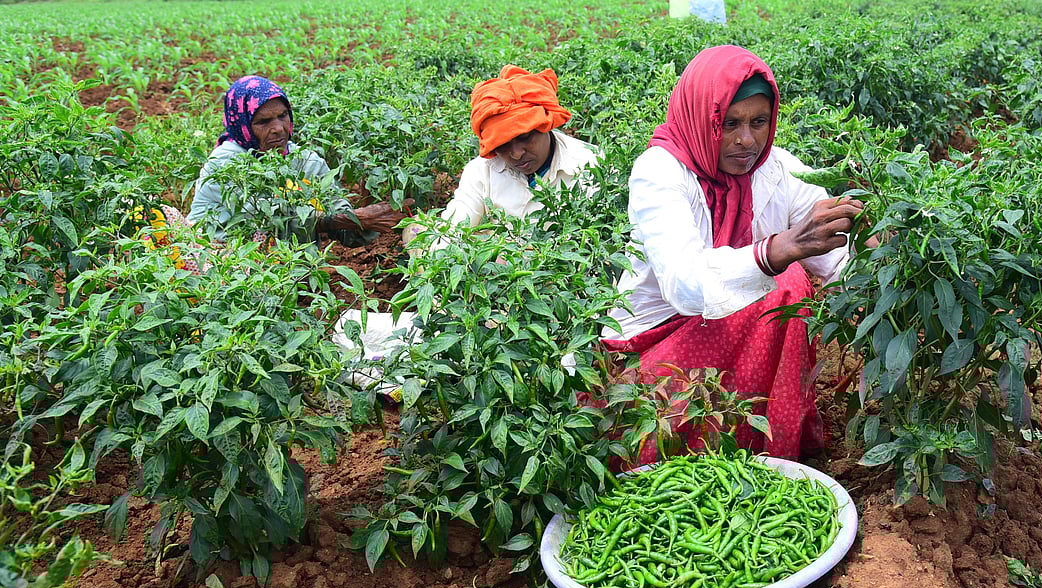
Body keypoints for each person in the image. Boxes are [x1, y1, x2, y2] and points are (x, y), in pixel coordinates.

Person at [602, 45, 865, 464]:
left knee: (791, 283)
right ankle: (686, 458)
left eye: (759, 122)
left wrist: (878, 261)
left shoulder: (775, 169)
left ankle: (762, 448)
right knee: (787, 284)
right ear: (701, 119)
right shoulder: (661, 172)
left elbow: (835, 253)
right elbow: (686, 286)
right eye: (729, 124)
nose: (747, 141)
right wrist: (777, 250)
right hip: (655, 346)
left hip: (728, 333)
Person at [188, 75, 403, 246]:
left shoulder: (306, 161)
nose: (278, 128)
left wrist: (372, 215)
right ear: (242, 125)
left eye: (282, 116)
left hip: (286, 276)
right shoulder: (226, 164)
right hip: (219, 266)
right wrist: (346, 219)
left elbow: (343, 228)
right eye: (263, 122)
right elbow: (271, 221)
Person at [440, 64, 599, 230]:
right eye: (501, 144)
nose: (516, 154)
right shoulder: (481, 172)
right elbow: (451, 232)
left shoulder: (591, 165)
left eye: (525, 137)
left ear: (545, 126)